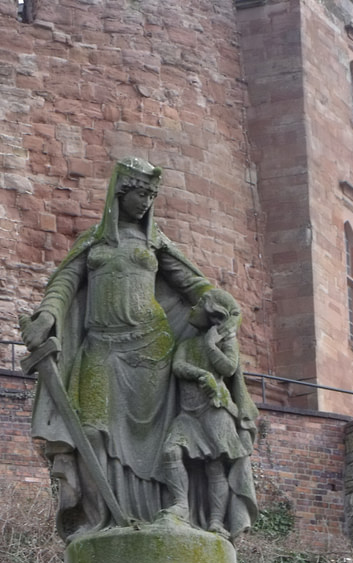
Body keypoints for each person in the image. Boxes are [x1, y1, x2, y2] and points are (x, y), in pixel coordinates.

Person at [20, 157, 213, 540]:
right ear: (121, 193)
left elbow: (198, 288)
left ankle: (166, 513)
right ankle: (100, 520)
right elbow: (63, 286)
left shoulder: (155, 243)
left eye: (151, 195)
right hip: (101, 348)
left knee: (156, 442)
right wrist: (46, 317)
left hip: (150, 349)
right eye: (140, 193)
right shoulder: (93, 243)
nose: (145, 202)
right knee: (90, 430)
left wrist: (222, 311)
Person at [162, 289, 259, 540]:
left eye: (198, 306)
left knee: (215, 467)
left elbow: (228, 367)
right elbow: (178, 366)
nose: (192, 310)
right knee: (171, 451)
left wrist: (210, 345)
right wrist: (201, 374)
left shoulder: (227, 342)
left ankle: (216, 521)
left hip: (216, 411)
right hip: (188, 413)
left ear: (212, 313)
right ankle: (181, 505)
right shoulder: (185, 344)